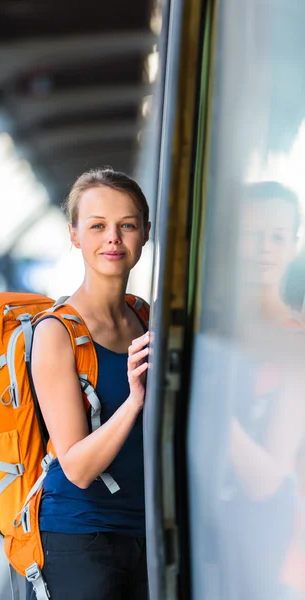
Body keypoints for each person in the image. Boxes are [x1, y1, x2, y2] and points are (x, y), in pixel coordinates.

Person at [28, 168, 151, 600]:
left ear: (146, 232)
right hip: (80, 539)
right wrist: (135, 401)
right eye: (97, 226)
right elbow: (78, 469)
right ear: (75, 235)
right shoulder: (57, 333)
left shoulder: (146, 317)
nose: (113, 238)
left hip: (148, 532)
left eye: (127, 225)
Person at [220, 181, 305, 599]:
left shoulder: (294, 343)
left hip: (270, 554)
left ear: (293, 247)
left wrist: (211, 412)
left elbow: (268, 482)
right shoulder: (209, 330)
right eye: (252, 235)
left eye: (276, 237)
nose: (263, 249)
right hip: (210, 537)